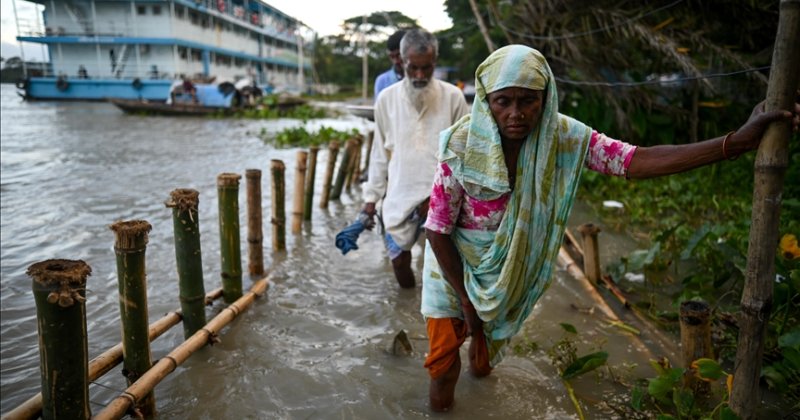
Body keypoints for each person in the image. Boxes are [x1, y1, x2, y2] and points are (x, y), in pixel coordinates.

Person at [420, 44, 800, 412]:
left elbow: (633, 161)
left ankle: (481, 379)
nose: (516, 114)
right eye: (503, 101)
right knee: (442, 365)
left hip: (508, 272)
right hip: (452, 265)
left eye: (528, 100)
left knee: (484, 351)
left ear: (545, 98)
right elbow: (436, 230)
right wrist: (465, 300)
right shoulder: (461, 145)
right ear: (486, 100)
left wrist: (736, 142)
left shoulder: (560, 136)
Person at [362, 29, 470, 289]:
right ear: (401, 61)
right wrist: (370, 200)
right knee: (399, 263)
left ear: (435, 62)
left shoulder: (453, 97)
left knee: (444, 270)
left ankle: (434, 310)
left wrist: (440, 196)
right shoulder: (386, 99)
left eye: (427, 68)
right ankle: (408, 305)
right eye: (414, 68)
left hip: (443, 198)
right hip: (399, 195)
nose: (420, 75)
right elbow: (380, 154)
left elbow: (464, 155)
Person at [373, 30, 406, 102]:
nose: (396, 61)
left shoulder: (420, 78)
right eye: (392, 57)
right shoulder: (382, 81)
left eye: (399, 56)